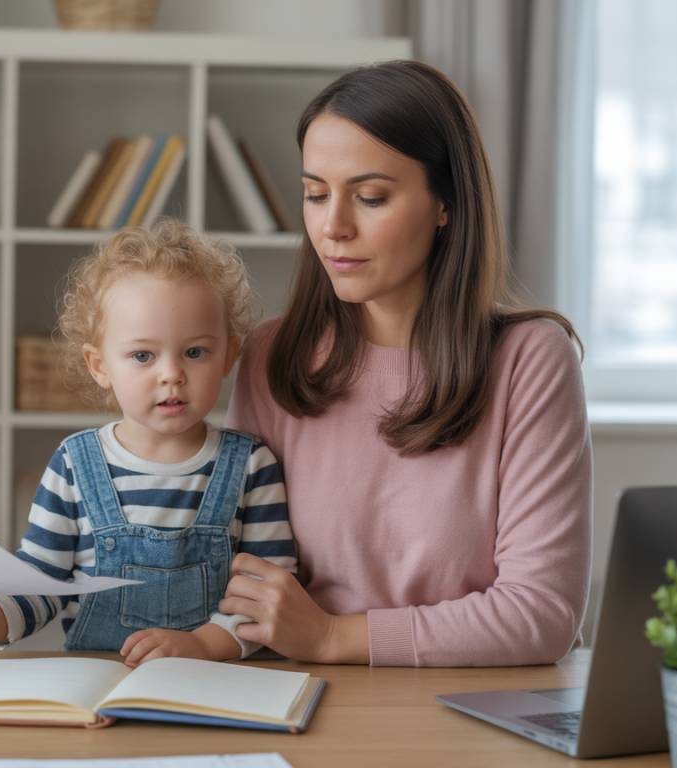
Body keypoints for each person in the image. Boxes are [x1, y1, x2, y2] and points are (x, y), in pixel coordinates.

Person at [219, 60, 592, 667]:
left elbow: (540, 614)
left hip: (473, 712)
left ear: (445, 203)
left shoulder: (530, 361)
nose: (333, 226)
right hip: (302, 700)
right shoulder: (272, 356)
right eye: (315, 194)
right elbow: (238, 577)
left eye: (370, 197)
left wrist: (333, 636)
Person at [0, 220, 297, 666]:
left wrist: (202, 645)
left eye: (195, 352)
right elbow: (41, 584)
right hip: (98, 691)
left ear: (228, 356)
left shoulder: (252, 466)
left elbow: (267, 598)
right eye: (143, 355)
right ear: (99, 365)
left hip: (214, 682)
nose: (171, 374)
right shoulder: (74, 463)